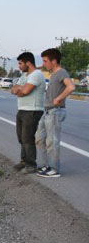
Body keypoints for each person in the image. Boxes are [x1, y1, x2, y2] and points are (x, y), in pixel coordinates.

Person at [35, 48, 75, 178]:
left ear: (54, 61)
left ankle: (54, 169)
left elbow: (71, 87)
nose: (44, 63)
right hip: (46, 112)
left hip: (55, 111)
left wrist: (59, 98)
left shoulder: (61, 72)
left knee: (52, 141)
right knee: (40, 138)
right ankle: (47, 165)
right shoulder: (53, 73)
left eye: (46, 61)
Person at [10, 52, 46, 174]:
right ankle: (24, 161)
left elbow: (24, 91)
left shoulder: (36, 75)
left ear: (28, 63)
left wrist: (21, 89)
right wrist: (20, 89)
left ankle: (31, 165)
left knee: (27, 138)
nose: (19, 66)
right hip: (22, 109)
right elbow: (14, 90)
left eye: (20, 63)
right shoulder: (25, 75)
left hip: (33, 110)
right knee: (21, 138)